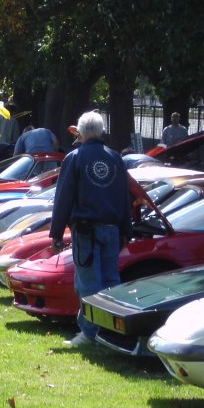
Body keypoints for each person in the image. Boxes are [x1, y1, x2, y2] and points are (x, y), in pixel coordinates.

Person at [49, 110, 132, 347]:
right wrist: (127, 229)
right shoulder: (115, 158)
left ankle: (89, 332)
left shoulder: (74, 158)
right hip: (112, 229)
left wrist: (55, 233)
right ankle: (109, 332)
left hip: (85, 230)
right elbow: (124, 197)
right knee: (110, 281)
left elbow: (63, 197)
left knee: (87, 282)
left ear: (81, 132)